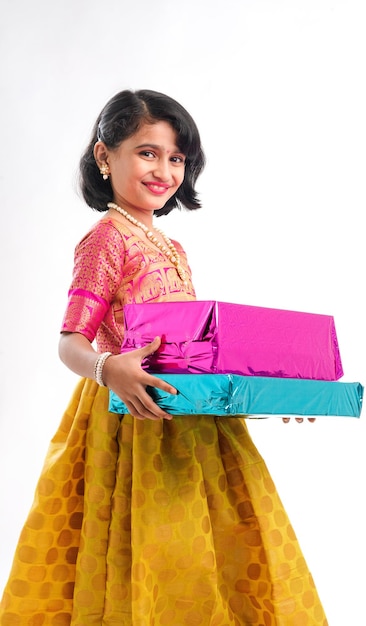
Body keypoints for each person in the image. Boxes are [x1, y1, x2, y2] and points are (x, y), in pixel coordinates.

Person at [0, 89, 328, 625]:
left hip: (192, 422)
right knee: (149, 549)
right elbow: (70, 343)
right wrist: (111, 370)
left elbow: (195, 353)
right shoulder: (105, 239)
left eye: (177, 158)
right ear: (106, 156)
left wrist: (277, 391)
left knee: (217, 552)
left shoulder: (173, 248)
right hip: (131, 422)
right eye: (148, 152)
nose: (165, 170)